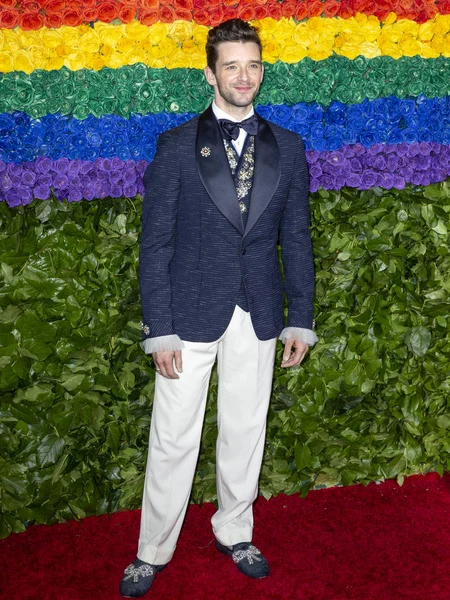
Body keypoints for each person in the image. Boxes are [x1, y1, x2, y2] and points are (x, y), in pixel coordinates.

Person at [119, 18, 317, 598]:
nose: (243, 75)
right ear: (210, 73)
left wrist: (300, 313)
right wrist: (159, 328)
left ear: (262, 70)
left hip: (257, 310)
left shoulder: (290, 146)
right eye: (231, 65)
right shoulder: (178, 145)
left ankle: (236, 529)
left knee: (244, 429)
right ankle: (152, 548)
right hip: (187, 315)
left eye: (252, 64)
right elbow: (155, 243)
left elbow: (297, 238)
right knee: (173, 435)